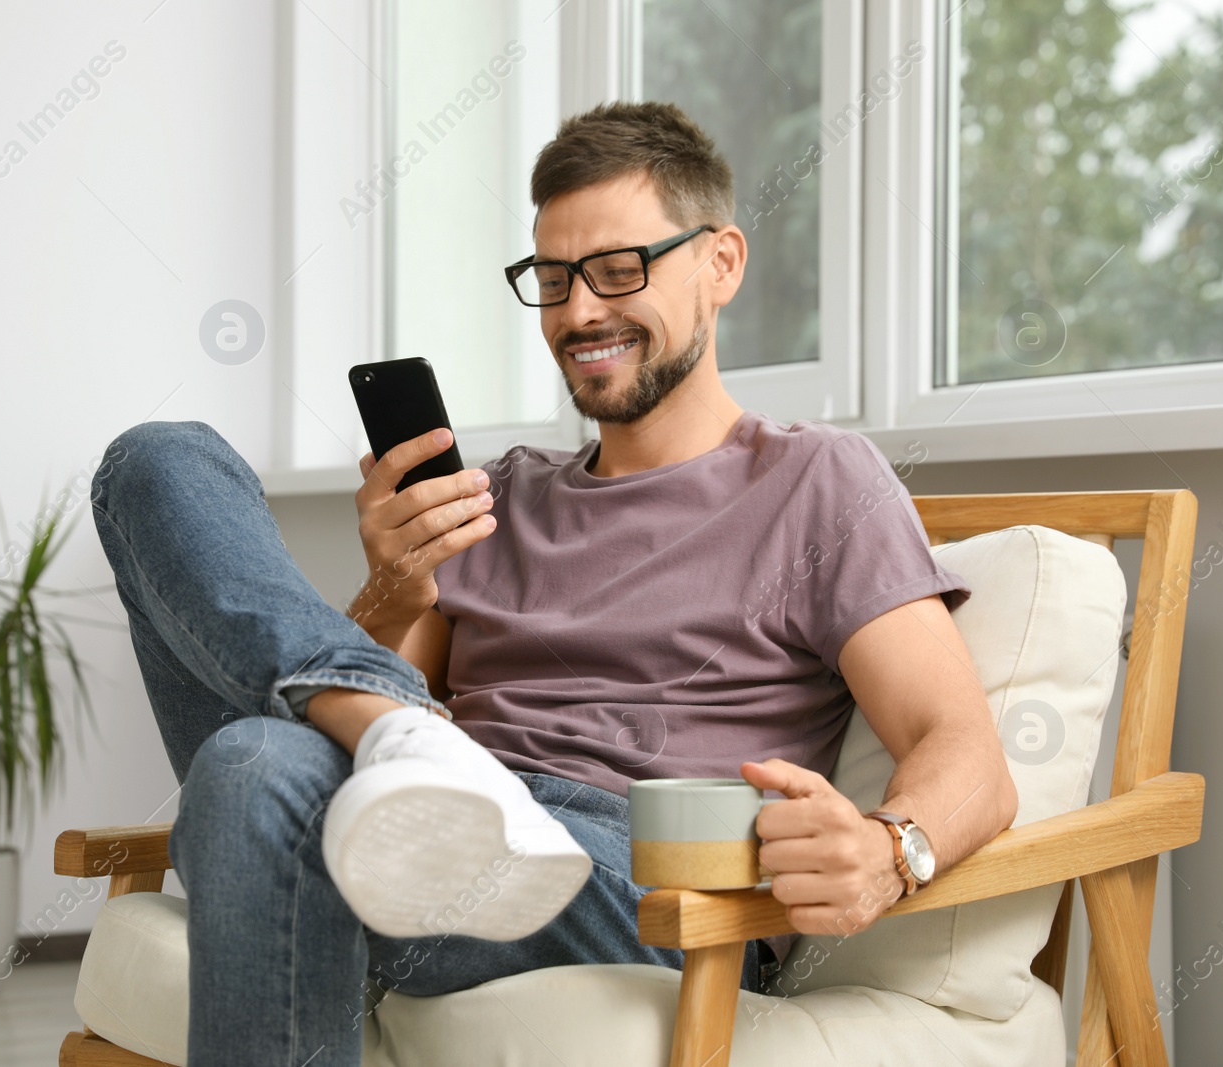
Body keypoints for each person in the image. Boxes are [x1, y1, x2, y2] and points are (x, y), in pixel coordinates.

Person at [89, 100, 1018, 1067]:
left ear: (722, 263)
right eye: (553, 278)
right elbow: (349, 698)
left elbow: (967, 754)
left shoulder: (817, 481)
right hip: (427, 801)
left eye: (620, 269)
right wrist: (393, 594)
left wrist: (890, 849)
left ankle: (405, 746)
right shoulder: (495, 497)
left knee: (251, 765)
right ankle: (398, 735)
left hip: (637, 870)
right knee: (158, 464)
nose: (578, 312)